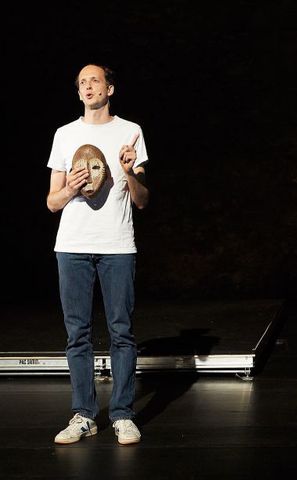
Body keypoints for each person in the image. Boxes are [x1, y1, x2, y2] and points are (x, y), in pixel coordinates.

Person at [46, 64, 150, 445]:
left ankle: (122, 414)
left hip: (117, 246)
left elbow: (142, 200)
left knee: (121, 332)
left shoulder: (130, 132)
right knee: (78, 334)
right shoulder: (64, 135)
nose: (87, 86)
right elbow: (52, 203)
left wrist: (130, 173)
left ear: (110, 88)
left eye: (94, 80)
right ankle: (84, 414)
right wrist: (71, 189)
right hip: (72, 246)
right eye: (81, 83)